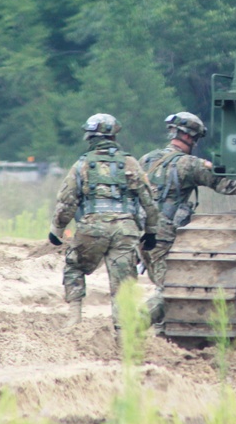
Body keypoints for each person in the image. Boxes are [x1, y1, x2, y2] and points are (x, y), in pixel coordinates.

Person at [139, 112, 236, 327]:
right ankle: (136, 323)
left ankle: (159, 330)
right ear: (191, 138)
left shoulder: (146, 159)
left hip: (140, 233)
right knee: (170, 291)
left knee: (163, 285)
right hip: (163, 236)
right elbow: (227, 186)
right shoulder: (190, 164)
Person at [48, 113, 158, 329]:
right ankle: (123, 333)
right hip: (126, 231)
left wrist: (57, 230)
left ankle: (74, 319)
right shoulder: (131, 163)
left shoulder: (81, 165)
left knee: (74, 266)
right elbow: (149, 201)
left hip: (92, 229)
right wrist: (151, 231)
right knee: (123, 285)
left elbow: (67, 202)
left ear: (90, 137)